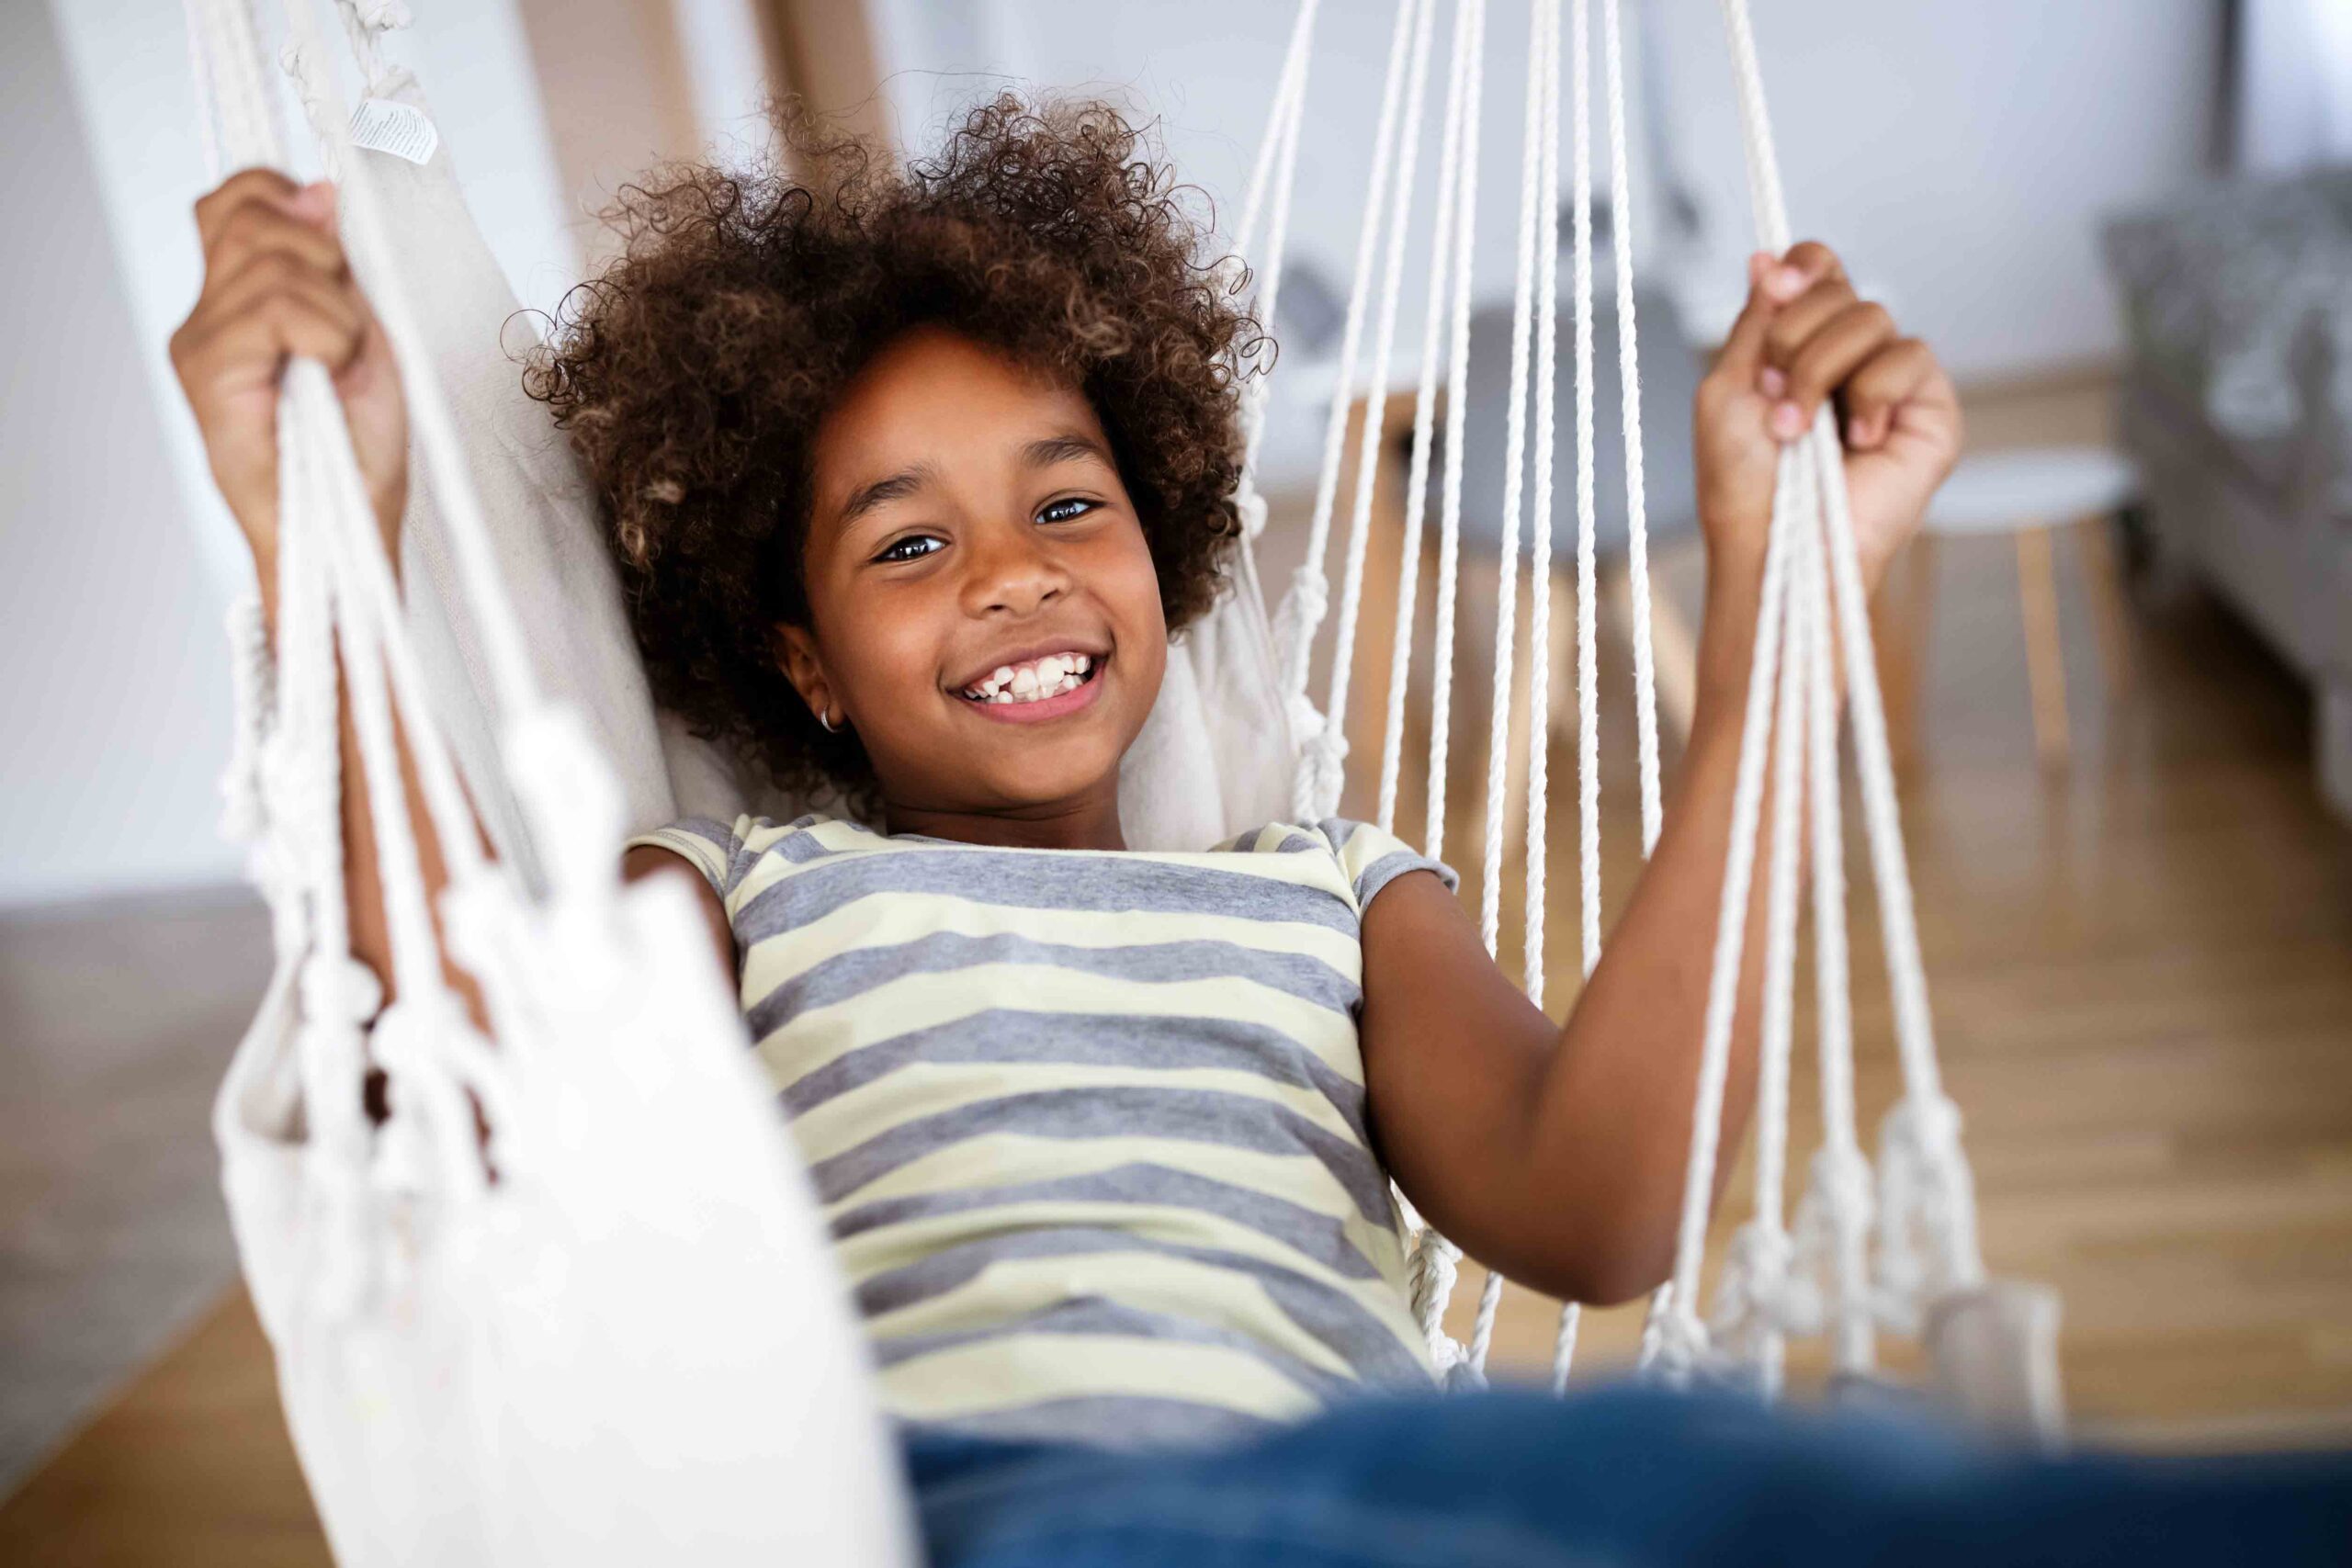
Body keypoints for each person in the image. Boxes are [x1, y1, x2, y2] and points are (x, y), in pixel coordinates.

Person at [169, 98, 2349, 1565]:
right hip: (942, 1504)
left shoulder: (1327, 891)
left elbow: (1596, 1213)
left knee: (1834, 1480)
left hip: (1393, 1478)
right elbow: (484, 1125)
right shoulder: (742, 893)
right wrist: (324, 550)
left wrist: (1776, 581)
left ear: (1162, 542)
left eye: (1064, 500)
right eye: (904, 541)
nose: (1014, 571)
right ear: (803, 659)